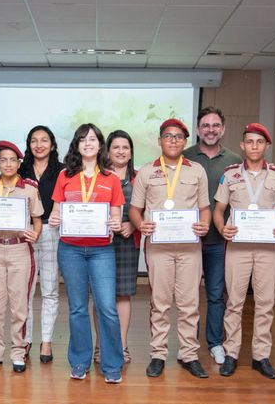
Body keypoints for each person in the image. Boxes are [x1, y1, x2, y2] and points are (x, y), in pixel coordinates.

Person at [130, 118, 211, 379]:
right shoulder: (146, 171)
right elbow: (135, 209)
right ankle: (158, 354)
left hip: (189, 247)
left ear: (185, 141)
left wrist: (205, 225)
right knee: (160, 302)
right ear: (159, 140)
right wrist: (140, 224)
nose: (173, 140)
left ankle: (189, 354)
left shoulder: (197, 170)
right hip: (158, 248)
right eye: (168, 136)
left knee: (189, 303)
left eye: (178, 136)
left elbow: (205, 209)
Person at [213, 123, 275, 380]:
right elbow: (218, 209)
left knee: (265, 303)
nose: (254, 146)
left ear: (266, 145)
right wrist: (223, 228)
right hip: (238, 248)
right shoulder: (231, 174)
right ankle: (232, 353)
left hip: (268, 249)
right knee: (234, 302)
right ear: (242, 146)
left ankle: (261, 356)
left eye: (260, 142)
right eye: (250, 142)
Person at [48, 124, 124, 383]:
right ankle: (79, 361)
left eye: (92, 139)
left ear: (100, 144)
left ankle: (112, 364)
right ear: (76, 145)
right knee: (78, 308)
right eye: (83, 139)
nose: (88, 143)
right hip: (70, 249)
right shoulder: (64, 176)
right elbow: (55, 212)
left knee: (107, 308)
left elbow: (116, 216)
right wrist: (55, 218)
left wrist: (115, 224)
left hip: (102, 251)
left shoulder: (111, 178)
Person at [0, 141, 42, 373]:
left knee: (19, 305)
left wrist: (36, 234)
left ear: (19, 163)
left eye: (13, 160)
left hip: (19, 249)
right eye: (3, 160)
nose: (8, 164)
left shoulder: (29, 188)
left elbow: (37, 220)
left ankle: (18, 352)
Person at [183, 107, 240, 364]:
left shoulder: (235, 160)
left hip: (219, 240)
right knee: (189, 296)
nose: (210, 130)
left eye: (215, 125)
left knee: (216, 294)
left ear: (223, 129)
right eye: (205, 125)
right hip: (187, 239)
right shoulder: (183, 156)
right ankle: (189, 344)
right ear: (197, 129)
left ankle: (215, 342)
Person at [93, 130, 140, 363]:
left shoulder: (139, 178)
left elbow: (149, 208)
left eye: (125, 147)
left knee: (122, 295)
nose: (121, 151)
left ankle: (121, 346)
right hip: (100, 243)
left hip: (127, 243)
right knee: (101, 297)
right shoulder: (97, 176)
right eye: (116, 147)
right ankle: (100, 346)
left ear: (131, 152)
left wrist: (133, 224)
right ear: (107, 151)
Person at [18, 126, 63, 363]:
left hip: (53, 231)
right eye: (34, 140)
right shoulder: (20, 169)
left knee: (50, 290)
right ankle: (24, 341)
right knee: (25, 290)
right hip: (25, 232)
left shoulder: (63, 171)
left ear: (52, 145)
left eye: (44, 140)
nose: (39, 145)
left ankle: (46, 341)